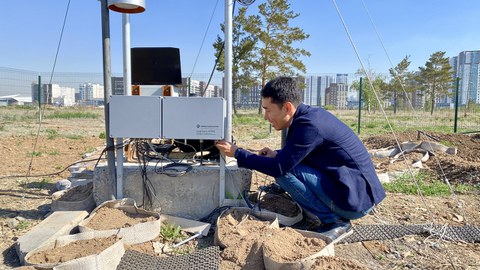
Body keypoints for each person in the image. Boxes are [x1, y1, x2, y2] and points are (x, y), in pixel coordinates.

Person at [215, 76, 386, 241]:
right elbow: (300, 152)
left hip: (355, 200)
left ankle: (335, 221)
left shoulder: (309, 126)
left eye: (268, 110)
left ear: (287, 107)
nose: (265, 117)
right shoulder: (309, 117)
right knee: (283, 164)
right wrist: (278, 154)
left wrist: (238, 153)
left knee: (284, 172)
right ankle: (331, 215)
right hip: (356, 191)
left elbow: (279, 168)